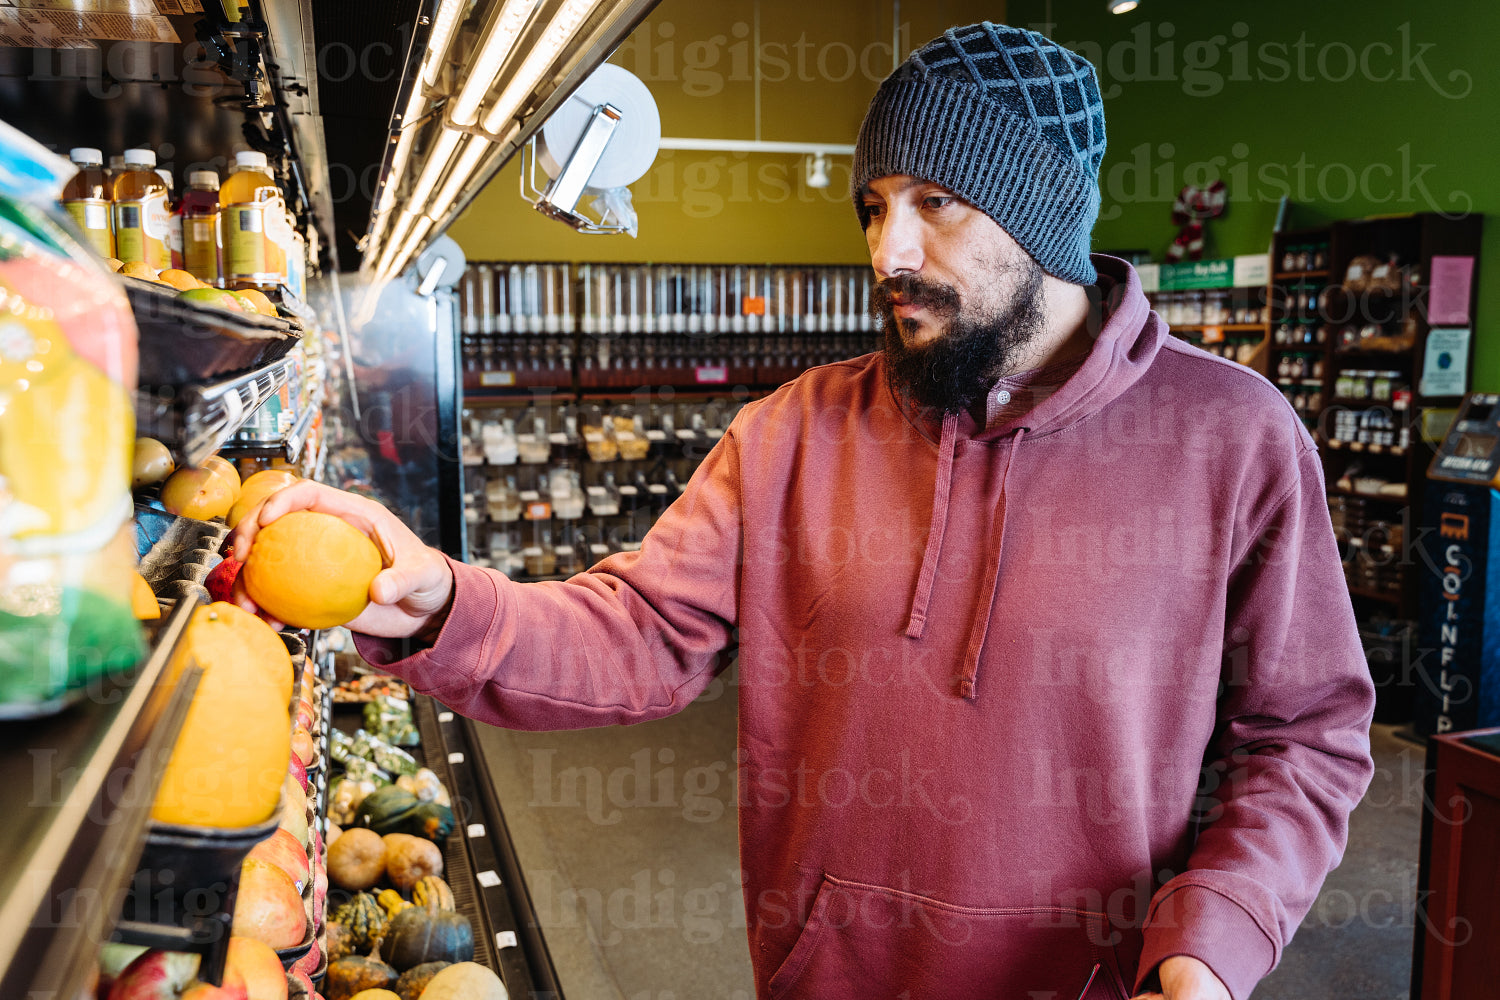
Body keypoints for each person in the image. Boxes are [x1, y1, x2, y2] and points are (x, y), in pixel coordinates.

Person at [235, 23, 1374, 1000]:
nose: (890, 250)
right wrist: (442, 600)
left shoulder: (1231, 438)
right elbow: (637, 633)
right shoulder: (790, 434)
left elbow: (1306, 734)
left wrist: (1213, 944)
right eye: (875, 206)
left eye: (936, 203)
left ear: (1040, 217)